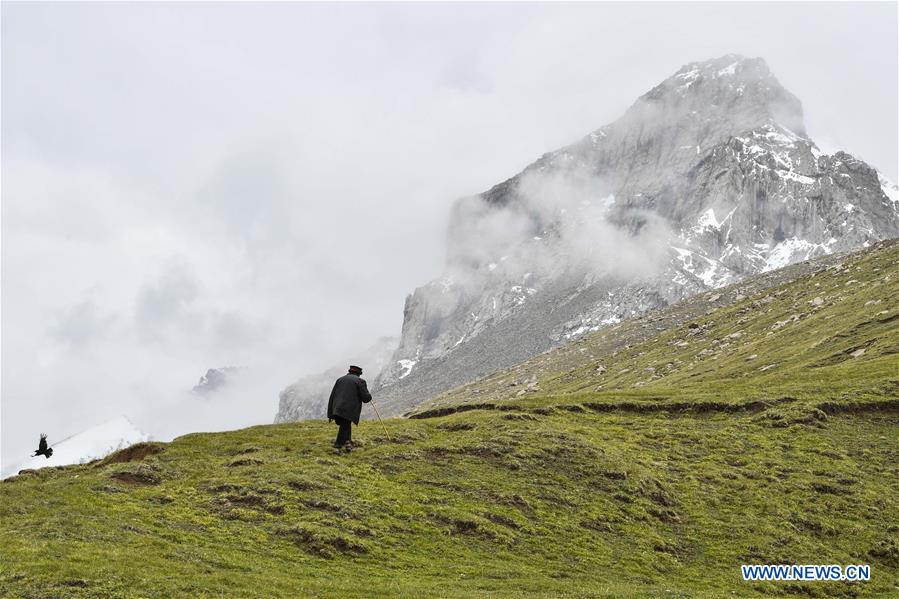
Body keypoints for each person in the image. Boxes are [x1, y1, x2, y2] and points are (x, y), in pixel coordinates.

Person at [326, 365, 372, 452]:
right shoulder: (360, 381)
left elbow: (333, 394)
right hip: (349, 408)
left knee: (345, 425)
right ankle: (338, 445)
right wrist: (369, 396)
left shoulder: (340, 379)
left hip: (337, 407)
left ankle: (348, 442)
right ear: (358, 374)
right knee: (345, 425)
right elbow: (366, 398)